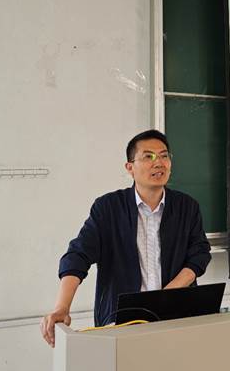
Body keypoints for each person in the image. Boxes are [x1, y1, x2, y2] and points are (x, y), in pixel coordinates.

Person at [40, 129, 211, 346]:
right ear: (130, 167)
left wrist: (168, 294)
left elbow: (199, 254)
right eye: (148, 156)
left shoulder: (187, 206)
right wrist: (62, 307)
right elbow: (78, 255)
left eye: (164, 156)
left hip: (177, 316)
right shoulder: (108, 208)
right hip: (123, 323)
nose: (158, 163)